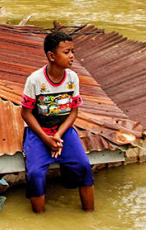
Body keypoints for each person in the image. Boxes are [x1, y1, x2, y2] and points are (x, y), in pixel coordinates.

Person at [20, 30, 94, 213]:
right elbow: (26, 114)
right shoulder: (35, 80)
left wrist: (59, 135)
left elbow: (73, 112)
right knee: (36, 174)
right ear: (51, 56)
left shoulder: (72, 78)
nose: (72, 57)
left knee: (83, 166)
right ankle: (39, 221)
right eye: (66, 52)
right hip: (38, 132)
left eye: (72, 51)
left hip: (63, 130)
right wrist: (46, 138)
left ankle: (90, 214)